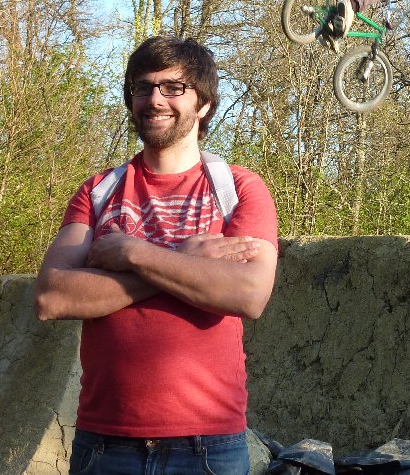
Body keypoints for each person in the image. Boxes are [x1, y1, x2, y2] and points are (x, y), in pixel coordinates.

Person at [34, 34, 278, 475]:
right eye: (142, 87)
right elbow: (53, 296)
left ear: (204, 104)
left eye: (173, 87)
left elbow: (248, 294)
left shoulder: (238, 188)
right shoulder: (98, 191)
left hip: (209, 447)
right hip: (104, 444)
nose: (154, 99)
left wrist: (133, 252)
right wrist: (187, 260)